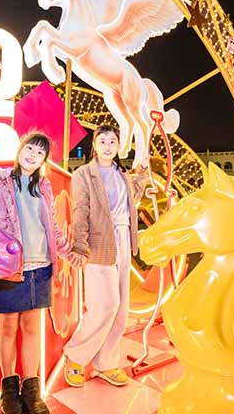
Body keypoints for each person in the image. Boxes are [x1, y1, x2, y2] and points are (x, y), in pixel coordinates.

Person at [0, 132, 70, 414]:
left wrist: (70, 251)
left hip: (40, 268)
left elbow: (52, 228)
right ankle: (9, 393)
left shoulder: (43, 187)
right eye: (30, 148)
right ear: (20, 149)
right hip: (10, 269)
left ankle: (32, 392)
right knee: (9, 329)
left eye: (40, 153)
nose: (33, 155)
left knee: (32, 328)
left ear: (43, 160)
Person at [63, 124, 149, 388]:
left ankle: (106, 363)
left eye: (113, 141)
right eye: (103, 141)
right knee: (105, 305)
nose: (108, 146)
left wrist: (141, 178)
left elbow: (130, 201)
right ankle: (75, 356)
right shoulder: (83, 175)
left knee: (121, 309)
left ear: (119, 146)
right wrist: (80, 245)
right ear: (95, 145)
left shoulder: (122, 174)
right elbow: (80, 210)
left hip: (123, 240)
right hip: (99, 243)